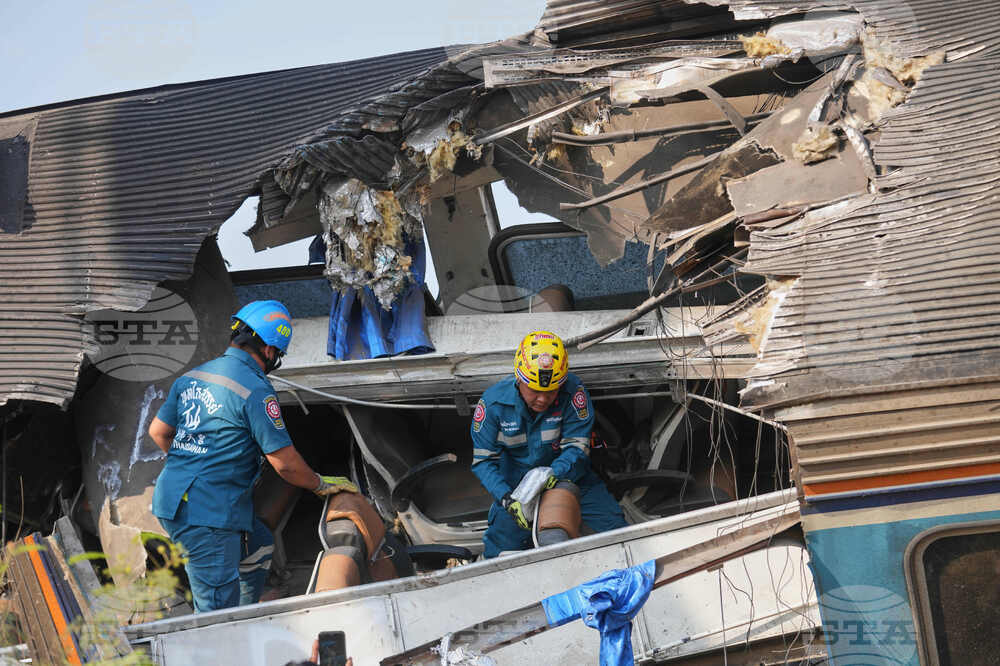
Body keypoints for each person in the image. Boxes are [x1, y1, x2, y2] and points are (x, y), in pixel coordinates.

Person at [148, 300, 358, 612]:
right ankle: (230, 621)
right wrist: (319, 484)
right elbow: (285, 464)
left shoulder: (192, 377)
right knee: (215, 612)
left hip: (173, 500)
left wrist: (192, 464)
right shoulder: (255, 390)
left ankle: (246, 611)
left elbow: (158, 432)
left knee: (258, 544)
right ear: (270, 350)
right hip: (207, 517)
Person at [470, 330, 627, 558]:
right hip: (516, 490)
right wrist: (506, 498)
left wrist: (553, 474)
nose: (543, 399)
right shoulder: (493, 405)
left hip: (570, 477)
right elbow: (483, 462)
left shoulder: (573, 393)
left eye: (551, 391)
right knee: (500, 554)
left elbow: (576, 447)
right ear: (519, 379)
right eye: (535, 391)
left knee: (619, 535)